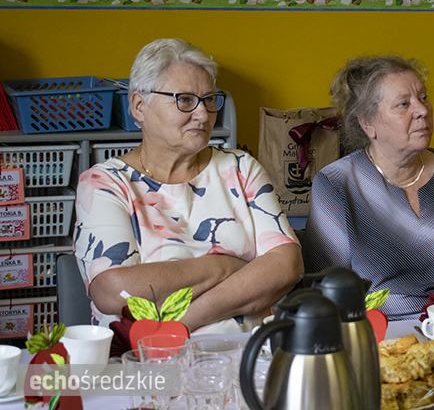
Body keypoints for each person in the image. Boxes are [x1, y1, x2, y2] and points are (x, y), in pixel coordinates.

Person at [73, 38, 303, 333]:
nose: (203, 114)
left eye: (209, 100)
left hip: (249, 353)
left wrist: (184, 322)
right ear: (139, 106)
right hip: (147, 359)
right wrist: (225, 267)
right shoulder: (105, 183)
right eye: (184, 100)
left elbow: (287, 266)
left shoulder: (240, 167)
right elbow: (113, 291)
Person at [304, 55, 434, 320]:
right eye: (403, 104)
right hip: (380, 335)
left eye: (423, 98)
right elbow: (326, 290)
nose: (422, 110)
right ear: (367, 123)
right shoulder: (337, 184)